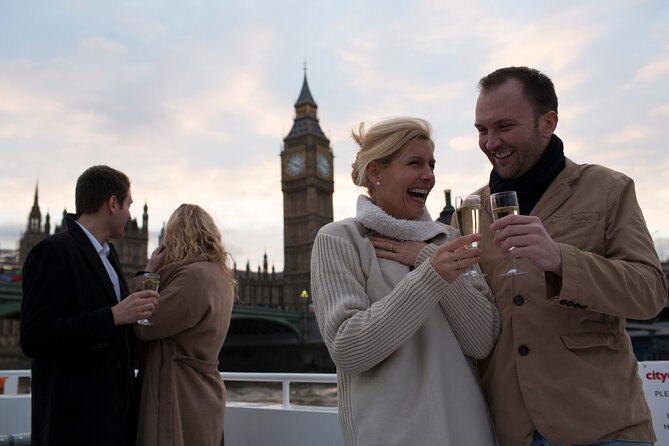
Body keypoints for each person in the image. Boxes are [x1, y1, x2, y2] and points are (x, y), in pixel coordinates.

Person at [472, 66, 668, 446]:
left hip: (602, 427)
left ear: (548, 123)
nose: (491, 142)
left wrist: (560, 259)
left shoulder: (609, 188)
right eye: (482, 130)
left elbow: (650, 293)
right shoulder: (474, 209)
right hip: (512, 431)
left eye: (504, 126)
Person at [310, 117, 500, 446]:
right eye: (415, 163)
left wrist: (427, 259)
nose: (428, 175)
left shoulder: (450, 239)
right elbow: (349, 349)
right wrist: (430, 277)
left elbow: (482, 341)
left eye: (431, 164)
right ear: (375, 173)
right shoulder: (340, 240)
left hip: (469, 434)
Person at [20, 165, 159, 446]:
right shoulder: (52, 252)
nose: (130, 215)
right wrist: (112, 317)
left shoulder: (109, 257)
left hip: (112, 424)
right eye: (128, 205)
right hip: (73, 426)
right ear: (112, 203)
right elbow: (35, 336)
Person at [133, 204, 235, 446]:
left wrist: (147, 274)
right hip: (204, 393)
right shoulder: (221, 276)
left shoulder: (193, 278)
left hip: (180, 395)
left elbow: (143, 323)